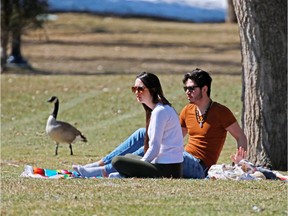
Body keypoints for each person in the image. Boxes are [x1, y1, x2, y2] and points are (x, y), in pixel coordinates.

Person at [73, 68, 247, 179]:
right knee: (144, 133)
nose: (187, 92)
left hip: (199, 166)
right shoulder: (187, 110)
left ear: (204, 89)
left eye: (191, 88)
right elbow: (174, 138)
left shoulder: (220, 111)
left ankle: (101, 171)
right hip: (182, 157)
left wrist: (240, 162)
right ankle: (101, 164)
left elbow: (240, 136)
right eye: (185, 89)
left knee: (152, 146)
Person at [73, 72, 183, 178]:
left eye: (140, 89)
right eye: (134, 89)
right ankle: (121, 175)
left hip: (167, 170)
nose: (137, 92)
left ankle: (98, 171)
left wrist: (139, 165)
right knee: (128, 157)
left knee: (118, 161)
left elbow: (154, 148)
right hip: (162, 166)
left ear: (153, 89)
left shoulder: (160, 111)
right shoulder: (158, 109)